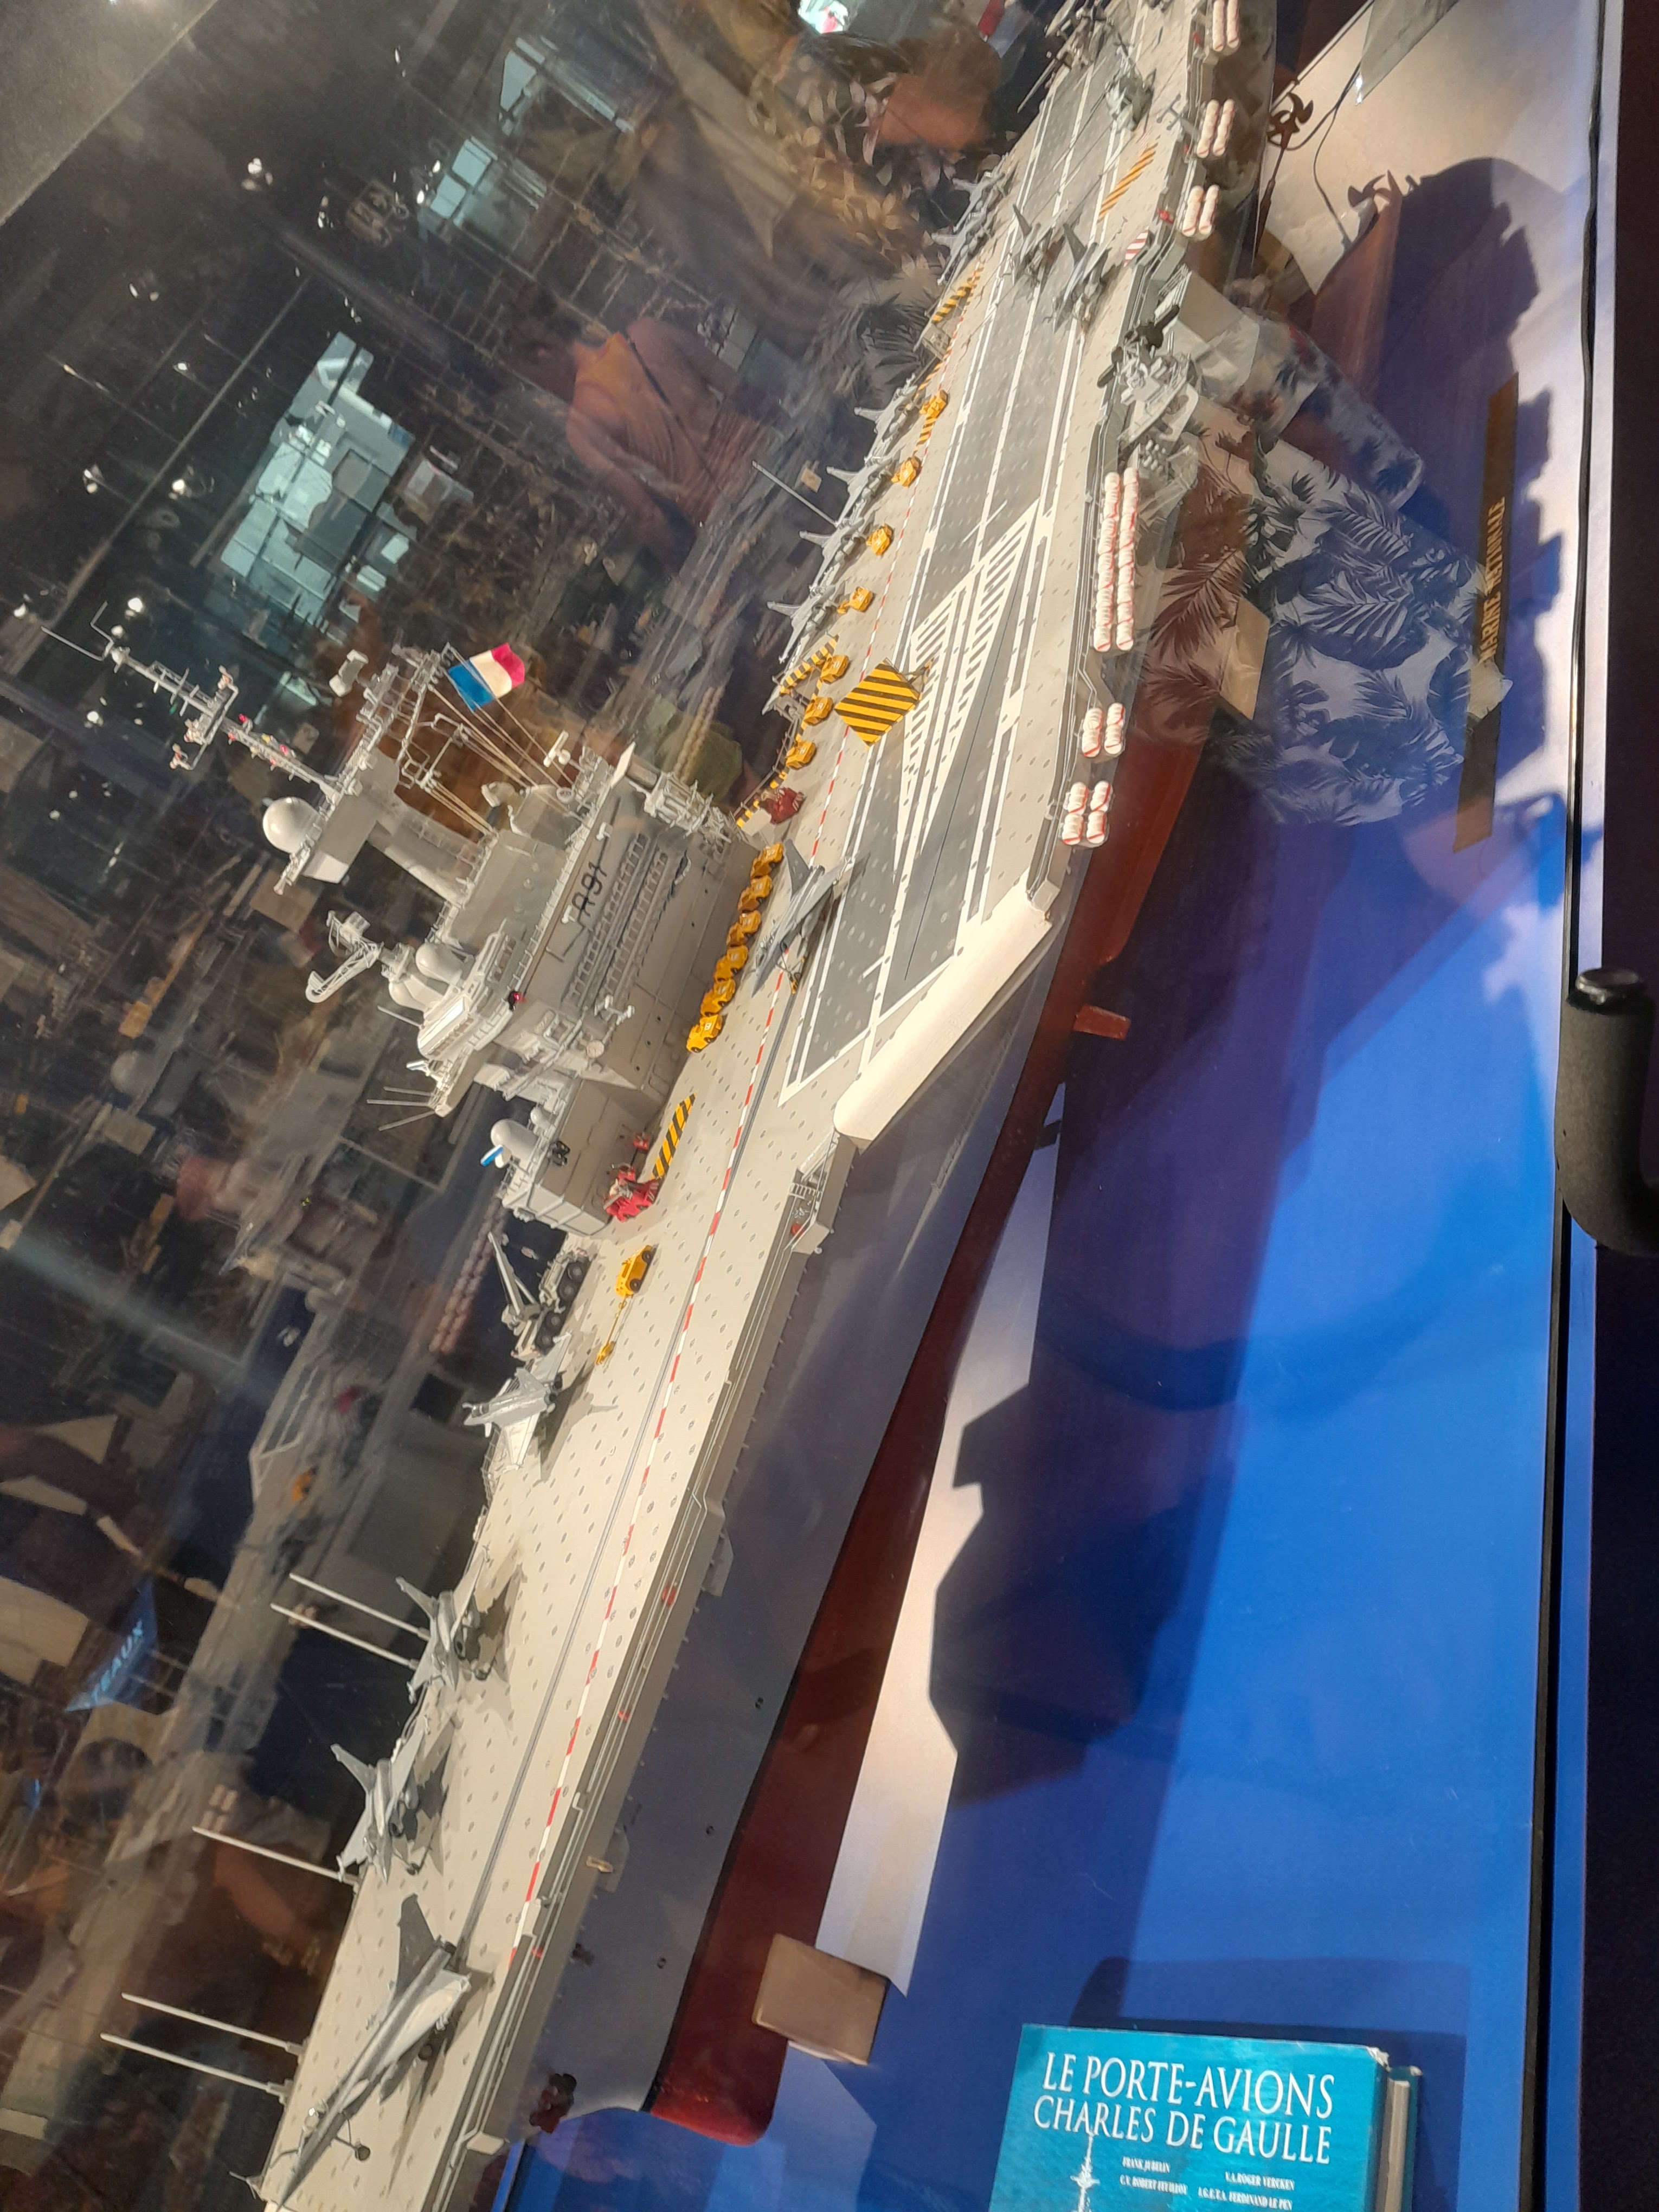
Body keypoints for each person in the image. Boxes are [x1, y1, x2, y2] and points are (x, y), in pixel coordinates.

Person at [517, 310, 783, 567]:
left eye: (537, 381)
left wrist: (683, 577)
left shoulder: (581, 425)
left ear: (544, 354)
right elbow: (741, 389)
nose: (545, 390)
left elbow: (647, 516)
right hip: (773, 458)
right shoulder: (648, 332)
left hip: (728, 516)